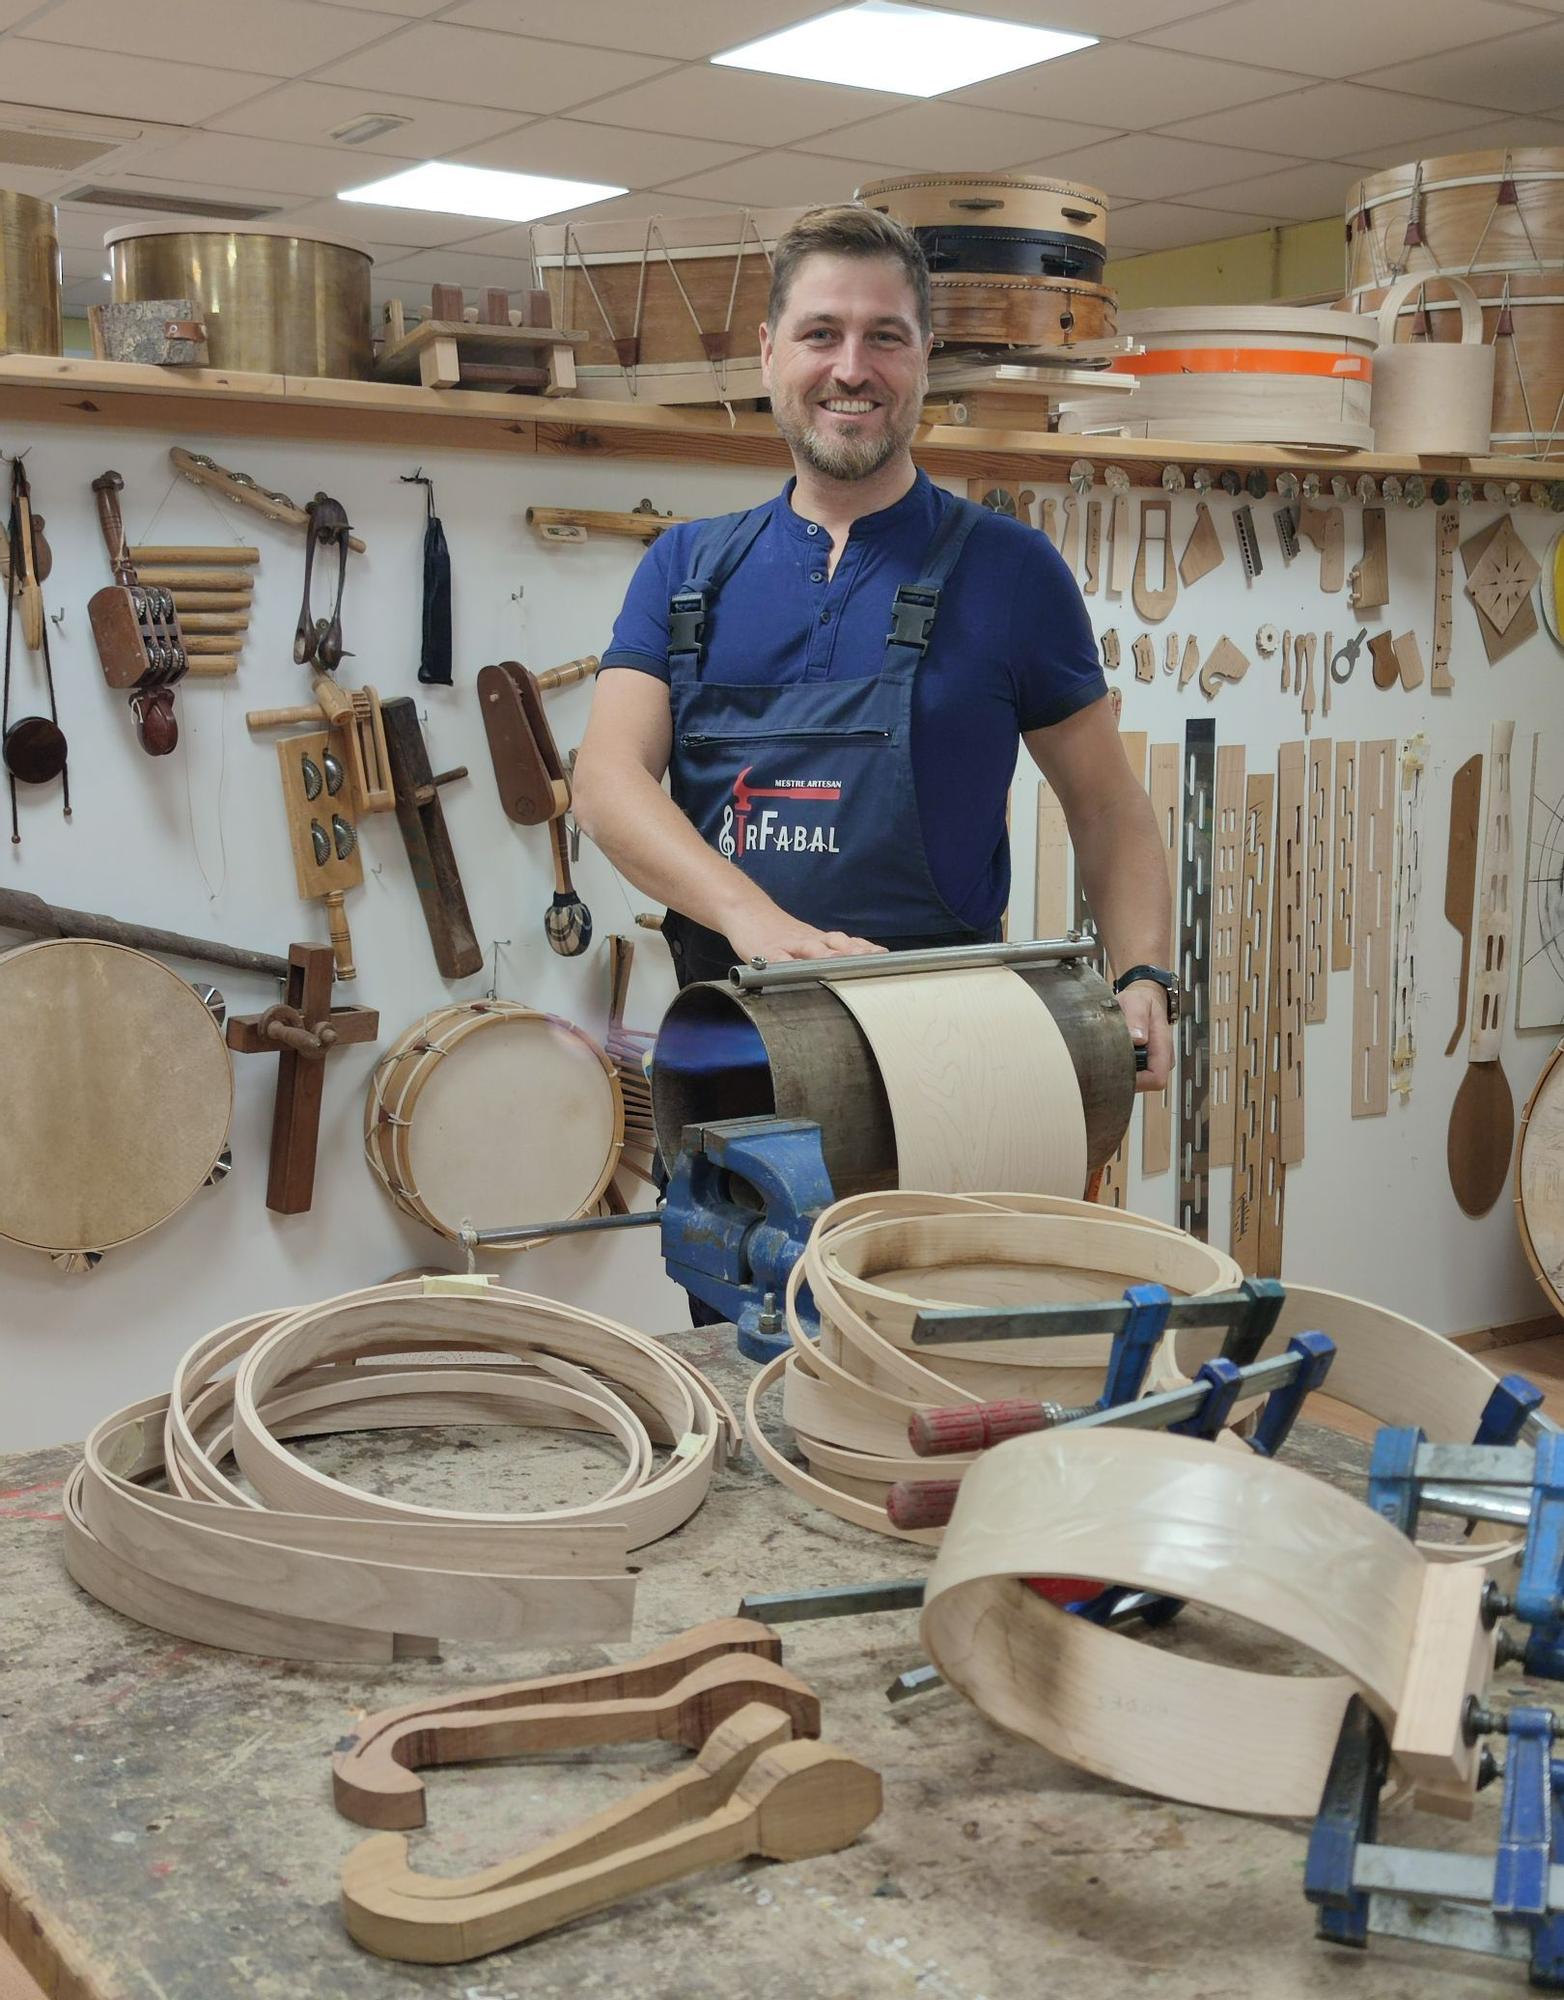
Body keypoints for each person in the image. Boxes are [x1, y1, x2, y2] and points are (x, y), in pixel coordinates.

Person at [573, 203, 1176, 1091]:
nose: (851, 369)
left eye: (884, 337)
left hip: (946, 1078)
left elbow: (1107, 806)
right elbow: (606, 784)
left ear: (925, 359)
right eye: (822, 333)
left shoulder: (1011, 570)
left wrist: (1143, 975)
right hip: (729, 1064)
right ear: (770, 352)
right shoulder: (685, 569)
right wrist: (753, 919)